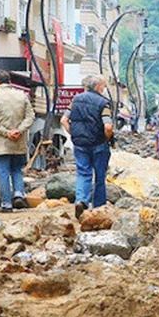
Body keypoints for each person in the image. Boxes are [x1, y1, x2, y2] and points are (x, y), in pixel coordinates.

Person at [60, 75, 113, 219]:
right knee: (100, 176)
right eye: (103, 86)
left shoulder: (75, 100)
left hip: (80, 144)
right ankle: (99, 207)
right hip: (98, 144)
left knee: (83, 173)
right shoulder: (103, 103)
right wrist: (106, 138)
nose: (104, 89)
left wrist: (74, 134)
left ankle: (81, 200)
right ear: (97, 87)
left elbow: (64, 120)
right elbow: (108, 126)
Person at [0, 70, 35, 213]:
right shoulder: (22, 96)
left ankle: (6, 204)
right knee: (17, 170)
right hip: (19, 141)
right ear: (10, 81)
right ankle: (19, 193)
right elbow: (30, 117)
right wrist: (19, 130)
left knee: (3, 172)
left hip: (2, 143)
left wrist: (6, 132)